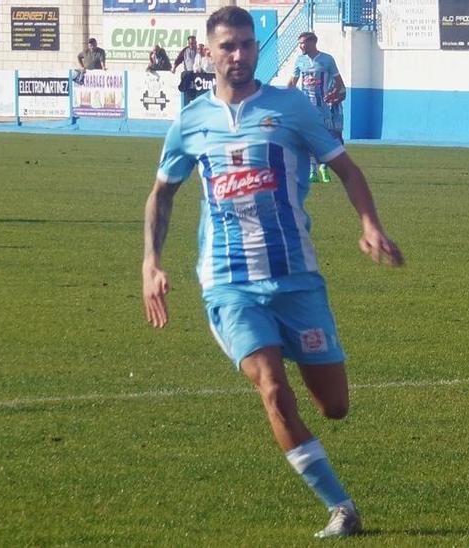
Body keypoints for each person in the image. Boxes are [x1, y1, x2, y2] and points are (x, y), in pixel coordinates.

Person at [141, 6, 404, 539]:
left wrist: (370, 224)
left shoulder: (290, 108)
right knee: (271, 387)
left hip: (296, 279)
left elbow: (345, 168)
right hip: (228, 283)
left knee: (334, 406)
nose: (238, 55)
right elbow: (162, 193)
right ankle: (341, 508)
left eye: (246, 45)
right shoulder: (191, 122)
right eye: (227, 46)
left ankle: (301, 370)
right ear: (208, 51)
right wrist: (151, 262)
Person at [288, 32, 346, 184]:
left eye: (303, 43)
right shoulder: (300, 60)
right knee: (307, 138)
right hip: (306, 107)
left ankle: (324, 167)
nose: (301, 46)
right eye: (299, 43)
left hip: (323, 107)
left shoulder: (327, 60)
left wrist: (334, 93)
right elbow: (292, 82)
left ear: (313, 42)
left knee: (326, 139)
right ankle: (312, 170)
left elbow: (339, 82)